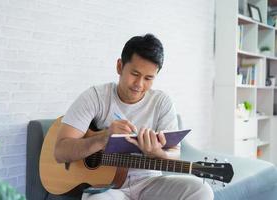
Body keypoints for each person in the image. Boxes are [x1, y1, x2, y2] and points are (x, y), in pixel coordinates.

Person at [54, 34, 214, 200]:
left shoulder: (162, 102)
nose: (139, 84)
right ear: (119, 66)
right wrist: (103, 137)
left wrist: (158, 152)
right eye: (135, 73)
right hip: (105, 189)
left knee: (202, 190)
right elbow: (60, 152)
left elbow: (175, 153)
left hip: (150, 183)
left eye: (148, 78)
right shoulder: (95, 97)